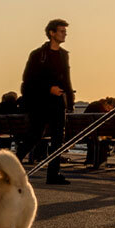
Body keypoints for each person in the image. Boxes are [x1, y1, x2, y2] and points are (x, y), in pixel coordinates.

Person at [20, 19, 75, 185]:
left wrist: (70, 102)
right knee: (35, 135)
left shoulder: (64, 54)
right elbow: (28, 79)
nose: (64, 34)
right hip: (40, 102)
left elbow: (67, 79)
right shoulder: (38, 54)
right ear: (52, 33)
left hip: (58, 103)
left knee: (59, 138)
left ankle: (53, 174)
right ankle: (14, 163)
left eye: (65, 31)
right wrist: (48, 88)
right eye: (61, 31)